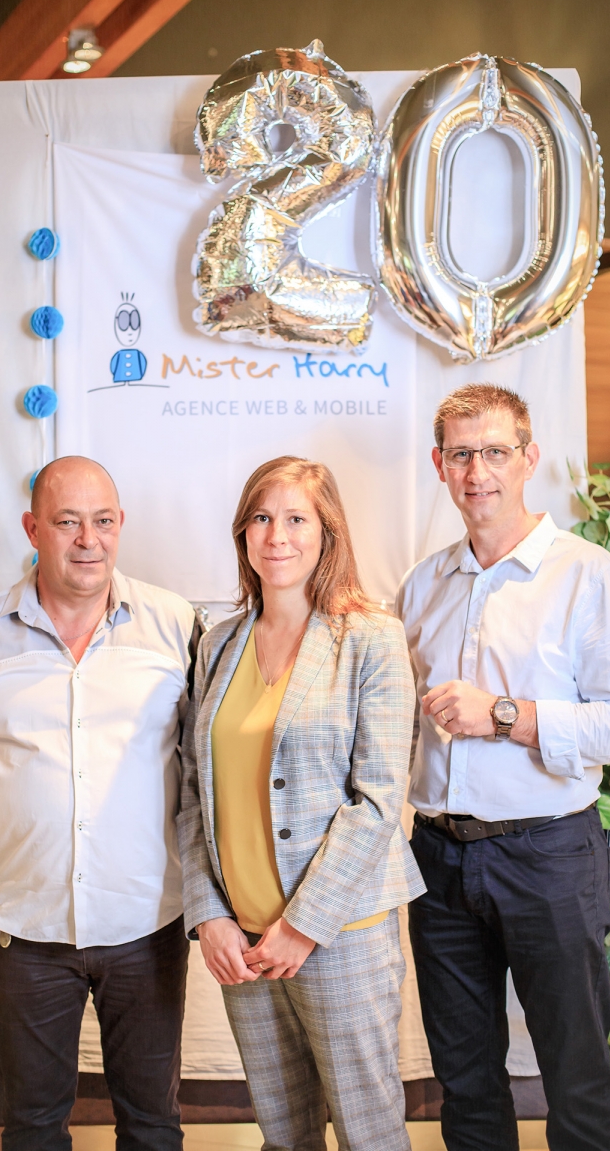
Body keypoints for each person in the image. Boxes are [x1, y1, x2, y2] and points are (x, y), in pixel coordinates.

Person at [396, 383, 610, 1151]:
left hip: (549, 854)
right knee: (466, 1083)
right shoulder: (421, 586)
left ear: (529, 458)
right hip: (437, 859)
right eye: (461, 454)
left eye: (495, 451)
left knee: (576, 1080)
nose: (477, 470)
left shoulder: (587, 575)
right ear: (440, 466)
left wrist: (505, 715)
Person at [0, 456, 201, 1151]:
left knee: (153, 1126)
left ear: (120, 524)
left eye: (102, 521)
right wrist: (21, 820)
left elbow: (203, 760)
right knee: (33, 1129)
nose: (88, 539)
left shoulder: (174, 625)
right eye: (67, 521)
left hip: (147, 923)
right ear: (32, 529)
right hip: (27, 930)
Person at [177, 455, 424, 1151]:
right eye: (261, 518)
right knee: (284, 1136)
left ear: (327, 533)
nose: (276, 535)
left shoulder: (372, 638)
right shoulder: (218, 644)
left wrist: (303, 924)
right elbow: (194, 792)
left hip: (341, 933)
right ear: (242, 533)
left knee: (368, 1134)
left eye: (295, 519)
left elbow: (379, 799)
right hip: (243, 943)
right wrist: (208, 915)